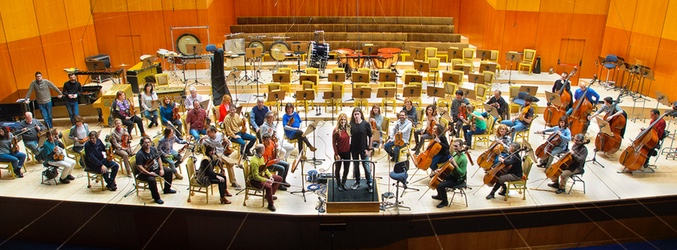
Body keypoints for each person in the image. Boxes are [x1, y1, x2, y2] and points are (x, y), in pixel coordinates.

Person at [135, 136, 176, 204]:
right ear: (142, 144)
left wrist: (161, 169)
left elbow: (158, 158)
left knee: (168, 171)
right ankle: (156, 198)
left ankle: (167, 189)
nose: (147, 144)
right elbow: (139, 167)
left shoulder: (153, 149)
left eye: (148, 142)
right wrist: (149, 173)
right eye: (145, 143)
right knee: (152, 180)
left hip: (155, 169)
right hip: (145, 172)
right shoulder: (139, 154)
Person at [201, 125, 242, 190]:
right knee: (221, 156)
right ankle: (235, 163)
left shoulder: (221, 135)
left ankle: (233, 182)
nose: (207, 134)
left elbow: (230, 143)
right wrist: (201, 139)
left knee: (229, 164)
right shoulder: (206, 139)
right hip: (213, 156)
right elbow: (199, 146)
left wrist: (227, 141)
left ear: (213, 132)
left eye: (208, 132)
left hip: (223, 154)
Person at [431, 139, 468, 208]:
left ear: (461, 147)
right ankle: (440, 196)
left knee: (440, 185)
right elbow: (449, 165)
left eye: (456, 146)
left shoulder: (463, 159)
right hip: (452, 175)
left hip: (458, 179)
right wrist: (440, 170)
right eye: (454, 146)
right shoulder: (454, 154)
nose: (454, 148)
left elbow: (462, 174)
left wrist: (455, 165)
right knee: (438, 177)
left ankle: (445, 202)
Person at [249, 145, 282, 212]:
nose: (265, 150)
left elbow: (265, 168)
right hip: (255, 180)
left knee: (279, 179)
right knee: (269, 186)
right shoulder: (254, 161)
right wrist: (267, 180)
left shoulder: (261, 157)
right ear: (261, 151)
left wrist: (270, 176)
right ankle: (270, 204)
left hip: (262, 175)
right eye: (264, 149)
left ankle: (269, 196)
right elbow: (255, 176)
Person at [349, 107, 373, 193]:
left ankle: (369, 183)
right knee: (356, 166)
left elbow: (370, 136)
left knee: (366, 166)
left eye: (358, 114)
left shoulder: (366, 124)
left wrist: (369, 149)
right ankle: (357, 181)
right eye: (355, 114)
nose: (356, 116)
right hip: (354, 149)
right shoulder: (351, 124)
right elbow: (349, 135)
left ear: (360, 115)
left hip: (364, 149)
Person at [332, 113, 351, 191]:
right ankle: (338, 183)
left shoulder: (348, 128)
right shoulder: (336, 130)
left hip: (347, 152)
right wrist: (336, 154)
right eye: (341, 120)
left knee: (346, 169)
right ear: (339, 120)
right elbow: (333, 143)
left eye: (344, 120)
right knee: (338, 169)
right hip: (339, 152)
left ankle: (343, 183)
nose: (343, 121)